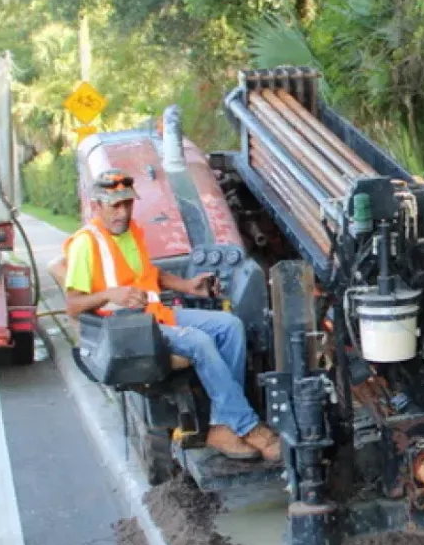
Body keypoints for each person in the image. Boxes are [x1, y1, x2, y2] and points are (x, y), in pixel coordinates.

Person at [62, 169, 281, 462]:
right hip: (123, 330)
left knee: (230, 325)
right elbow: (73, 306)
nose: (123, 212)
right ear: (97, 205)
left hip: (155, 316)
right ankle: (247, 426)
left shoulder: (132, 232)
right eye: (115, 205)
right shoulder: (85, 244)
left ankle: (222, 425)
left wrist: (189, 286)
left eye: (127, 203)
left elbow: (151, 275)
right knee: (199, 342)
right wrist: (109, 295)